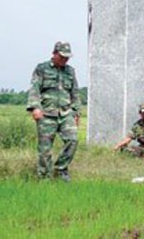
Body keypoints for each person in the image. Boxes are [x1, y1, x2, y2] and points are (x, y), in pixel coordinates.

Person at [26, 42, 81, 182]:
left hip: (66, 113)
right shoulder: (42, 68)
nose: (65, 60)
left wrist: (76, 112)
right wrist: (35, 107)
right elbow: (34, 89)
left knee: (73, 140)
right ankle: (44, 177)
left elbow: (75, 93)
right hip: (46, 114)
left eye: (67, 57)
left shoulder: (70, 71)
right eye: (62, 57)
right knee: (45, 149)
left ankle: (61, 169)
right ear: (54, 53)